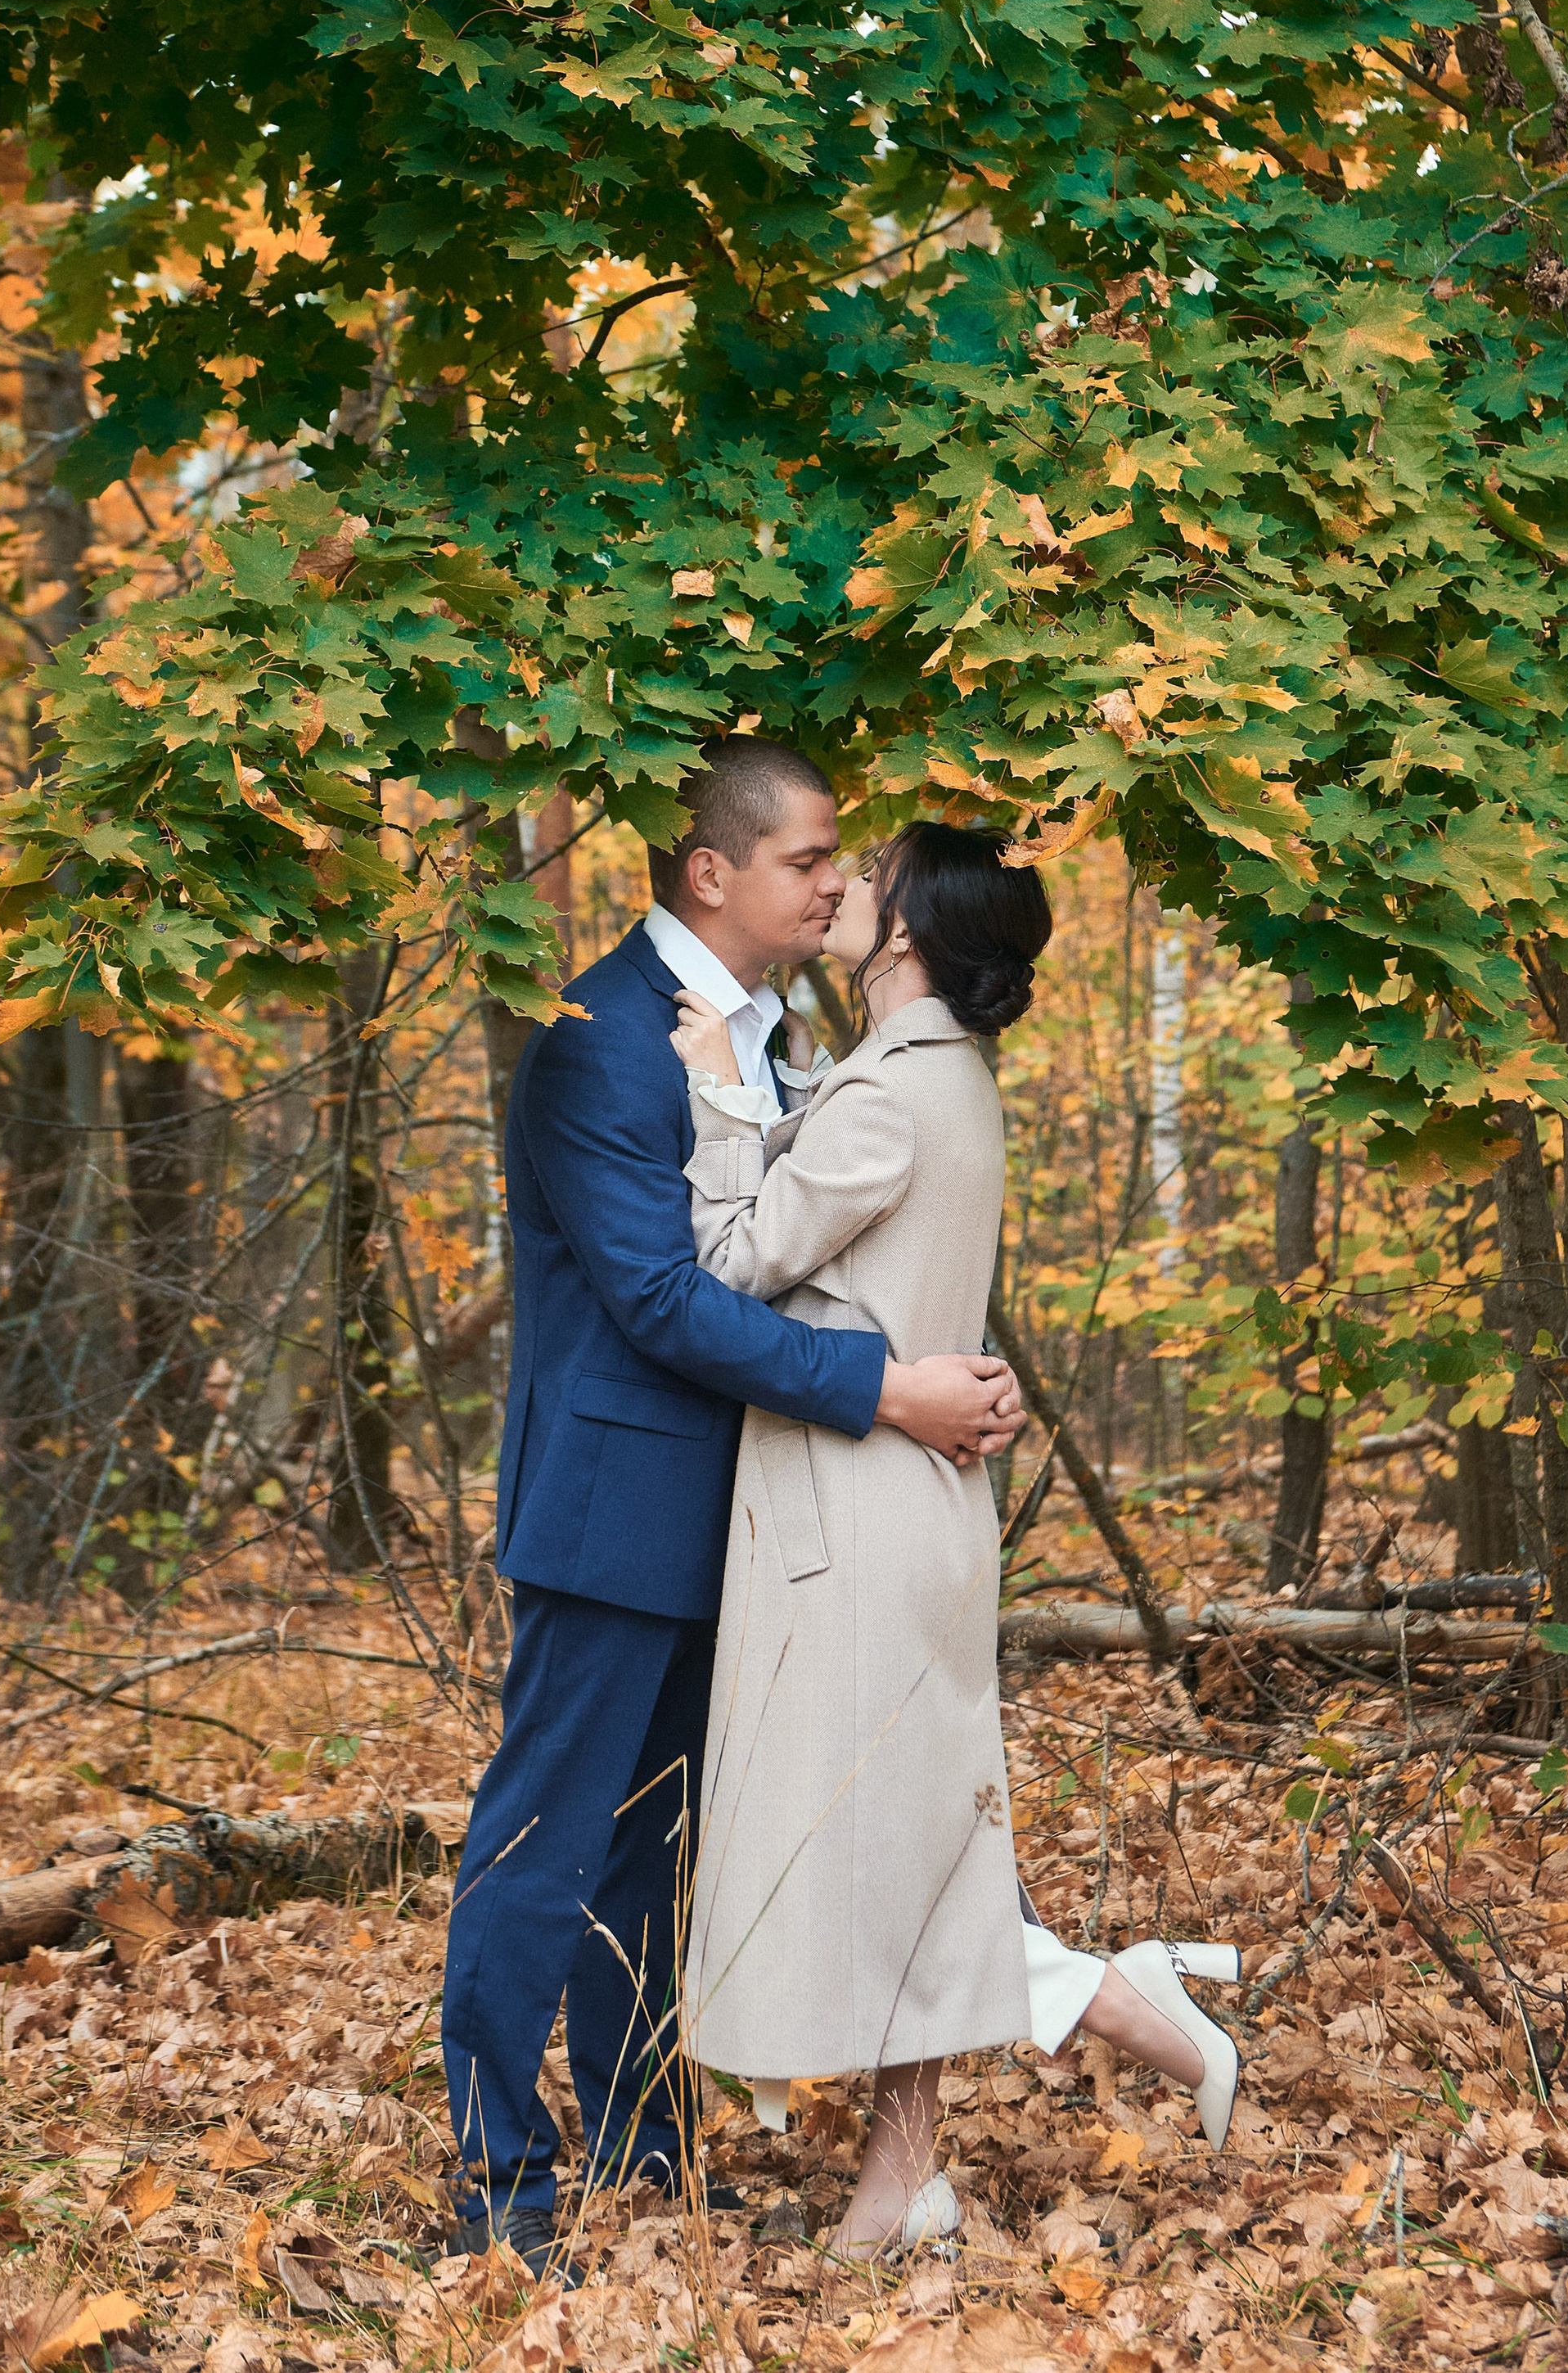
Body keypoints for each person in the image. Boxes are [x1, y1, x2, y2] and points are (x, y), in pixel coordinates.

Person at [439, 747, 1027, 2271]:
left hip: (748, 1523)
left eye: (843, 862)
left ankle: (642, 2146)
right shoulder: (599, 1040)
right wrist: (884, 1387)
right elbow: (658, 1295)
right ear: (713, 871)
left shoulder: (767, 1038)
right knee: (544, 1846)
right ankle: (502, 2190)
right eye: (810, 857)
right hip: (611, 1508)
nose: (837, 881)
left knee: (654, 1852)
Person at [671, 823, 1242, 2261]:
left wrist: (727, 1096)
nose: (843, 887)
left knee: (887, 1847)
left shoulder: (894, 1100)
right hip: (897, 1508)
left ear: (911, 927)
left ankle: (975, 2114)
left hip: (858, 1518)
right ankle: (958, 2128)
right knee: (901, 1842)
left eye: (865, 873)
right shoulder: (928, 1082)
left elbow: (733, 1261)